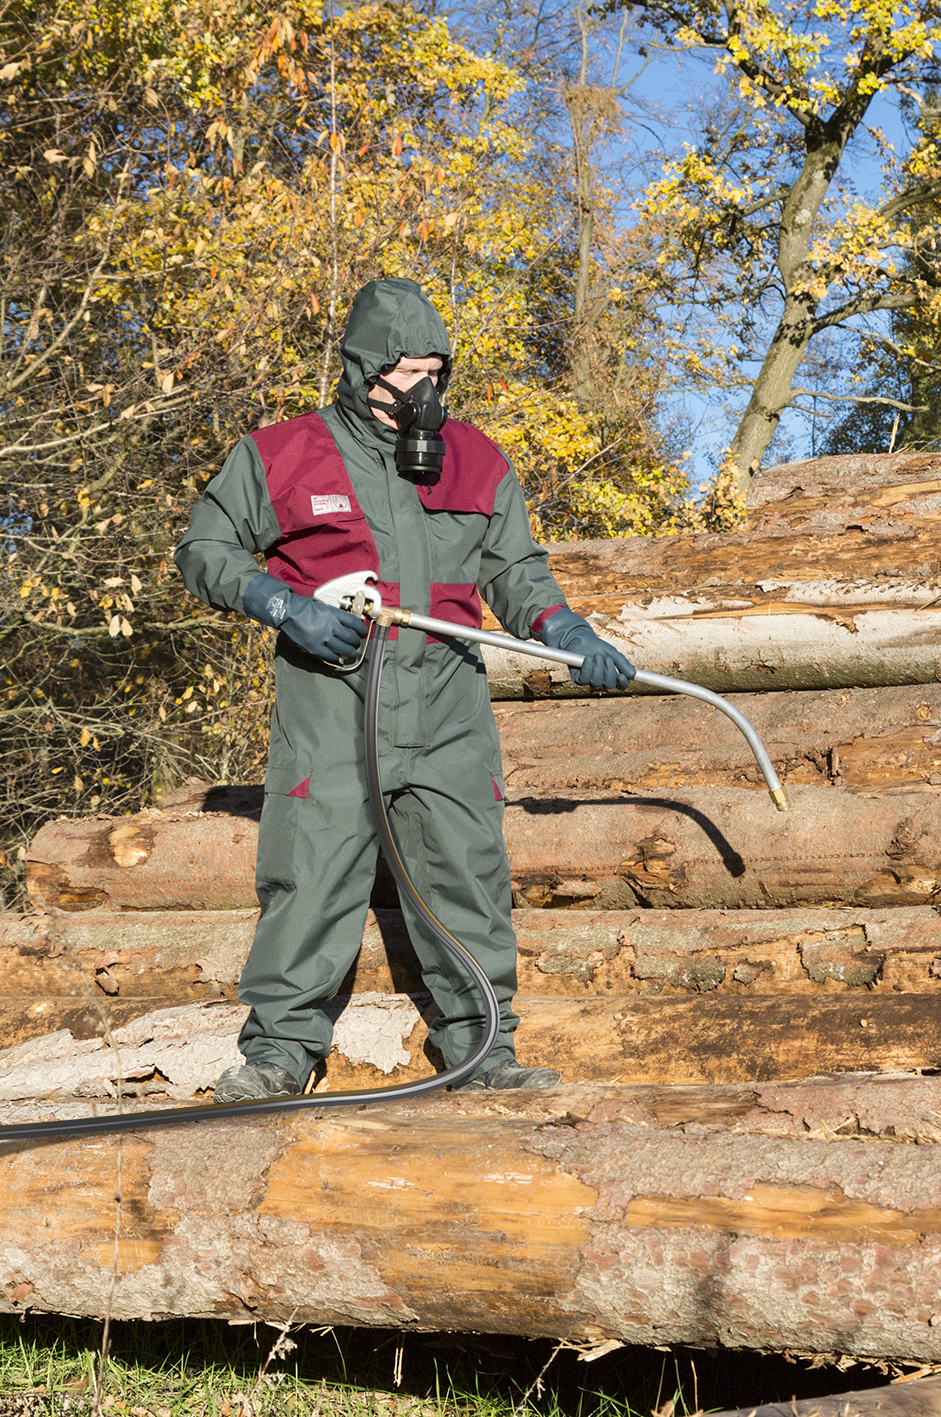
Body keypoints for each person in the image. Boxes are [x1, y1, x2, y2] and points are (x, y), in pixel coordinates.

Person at [173, 278, 636, 1099]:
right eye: (408, 375)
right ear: (361, 370)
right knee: (310, 869)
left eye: (437, 374)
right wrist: (285, 606)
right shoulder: (284, 453)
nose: (426, 394)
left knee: (466, 870)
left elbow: (516, 571)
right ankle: (280, 1052)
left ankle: (482, 1049)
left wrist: (564, 629)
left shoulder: (478, 459)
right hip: (333, 702)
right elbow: (205, 549)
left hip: (448, 708)